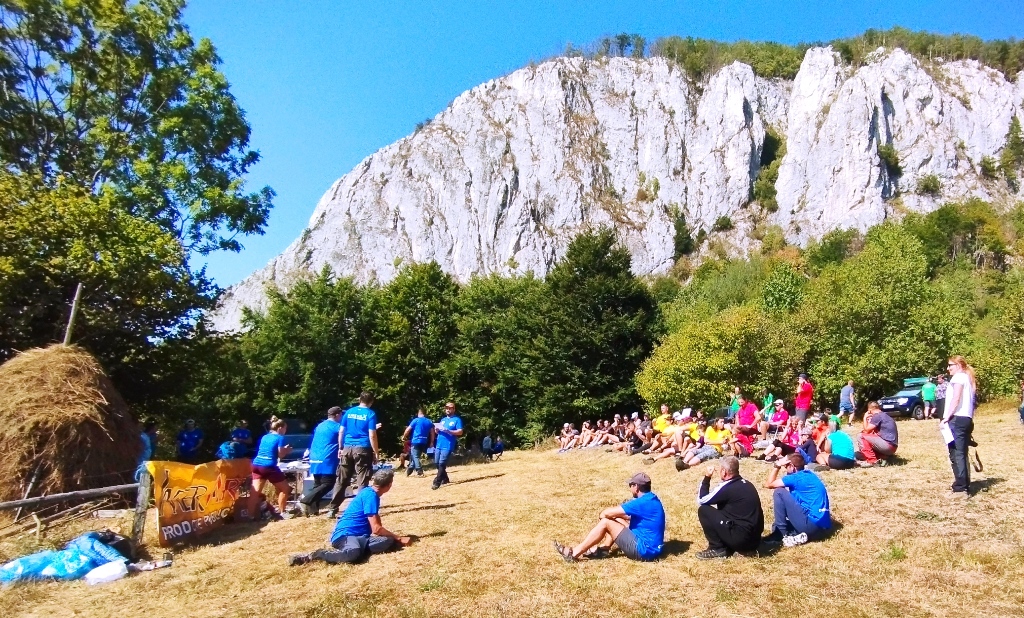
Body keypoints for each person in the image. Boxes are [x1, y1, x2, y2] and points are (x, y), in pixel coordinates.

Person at [289, 469, 413, 566]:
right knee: (353, 554)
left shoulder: (369, 492)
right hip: (346, 535)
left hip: (362, 537)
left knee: (388, 541)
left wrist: (394, 539)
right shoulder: (371, 496)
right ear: (389, 485)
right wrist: (399, 537)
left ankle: (356, 550)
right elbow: (376, 529)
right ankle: (316, 555)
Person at [553, 472, 665, 562]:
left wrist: (605, 517)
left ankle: (574, 553)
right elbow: (636, 518)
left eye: (630, 485)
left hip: (644, 551)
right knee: (616, 518)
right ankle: (604, 549)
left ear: (636, 487)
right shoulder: (652, 499)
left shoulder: (640, 503)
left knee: (606, 522)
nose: (630, 488)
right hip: (652, 548)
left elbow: (606, 513)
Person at [694, 455, 764, 559]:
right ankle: (742, 548)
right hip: (755, 540)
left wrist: (707, 477)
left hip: (741, 540)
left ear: (724, 472)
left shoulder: (727, 487)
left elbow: (702, 500)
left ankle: (717, 548)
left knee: (704, 510)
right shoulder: (748, 484)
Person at [325, 392, 379, 519]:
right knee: (362, 480)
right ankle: (360, 510)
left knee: (342, 479)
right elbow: (372, 435)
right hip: (362, 448)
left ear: (360, 400)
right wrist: (376, 452)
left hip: (347, 448)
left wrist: (340, 448)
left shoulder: (348, 412)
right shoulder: (370, 414)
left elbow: (341, 431)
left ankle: (332, 509)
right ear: (371, 401)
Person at [763, 454, 832, 547]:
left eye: (786, 466)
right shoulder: (811, 475)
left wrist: (777, 466)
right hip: (823, 528)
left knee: (779, 492)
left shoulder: (795, 478)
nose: (785, 469)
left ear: (791, 466)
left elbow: (768, 484)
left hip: (811, 525)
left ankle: (780, 535)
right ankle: (797, 534)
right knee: (778, 524)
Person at [299, 407, 343, 516]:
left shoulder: (319, 426)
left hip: (315, 457)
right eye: (341, 415)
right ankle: (305, 501)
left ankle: (313, 511)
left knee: (317, 484)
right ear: (337, 415)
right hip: (327, 457)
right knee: (328, 483)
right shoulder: (337, 427)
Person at [942, 356, 976, 497]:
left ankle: (961, 488)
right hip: (965, 419)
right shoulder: (967, 378)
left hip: (956, 419)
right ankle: (964, 484)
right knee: (961, 453)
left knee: (957, 453)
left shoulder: (958, 377)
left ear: (959, 365)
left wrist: (947, 417)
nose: (948, 368)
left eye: (950, 365)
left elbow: (956, 398)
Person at [251, 416, 295, 518]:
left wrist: (282, 449)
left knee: (255, 492)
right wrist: (287, 450)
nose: (285, 431)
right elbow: (280, 455)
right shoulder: (280, 437)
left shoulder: (265, 437)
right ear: (280, 428)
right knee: (285, 489)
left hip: (256, 464)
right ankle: (282, 513)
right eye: (285, 428)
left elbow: (269, 449)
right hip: (269, 466)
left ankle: (249, 517)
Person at [433, 401, 463, 490]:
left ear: (454, 409)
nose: (447, 410)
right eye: (446, 408)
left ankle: (437, 481)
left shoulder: (457, 420)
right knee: (437, 463)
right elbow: (438, 431)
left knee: (442, 463)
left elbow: (460, 432)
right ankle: (445, 478)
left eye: (450, 408)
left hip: (448, 444)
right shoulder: (443, 420)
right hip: (439, 444)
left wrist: (449, 431)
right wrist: (436, 430)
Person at [858, 402, 898, 466]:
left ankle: (872, 461)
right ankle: (882, 457)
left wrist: (865, 417)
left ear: (869, 410)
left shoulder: (877, 416)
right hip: (892, 447)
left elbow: (866, 430)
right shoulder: (885, 415)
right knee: (859, 454)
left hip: (887, 446)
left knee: (861, 436)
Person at [403, 408, 434, 476]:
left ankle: (419, 471)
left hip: (416, 441)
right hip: (424, 441)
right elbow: (432, 433)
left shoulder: (416, 420)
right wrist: (431, 442)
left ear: (419, 413)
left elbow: (408, 430)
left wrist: (404, 436)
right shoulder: (429, 421)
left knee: (415, 456)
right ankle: (409, 471)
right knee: (415, 457)